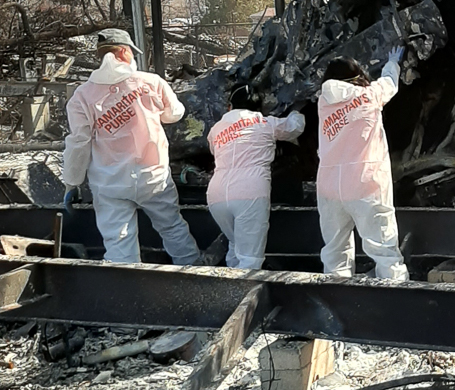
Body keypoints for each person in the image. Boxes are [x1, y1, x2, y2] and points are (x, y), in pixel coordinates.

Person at [61, 28, 201, 264]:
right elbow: (175, 114)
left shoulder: (82, 96)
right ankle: (195, 274)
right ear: (123, 52)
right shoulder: (151, 82)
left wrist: (72, 181)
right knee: (172, 227)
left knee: (119, 241)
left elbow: (79, 142)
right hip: (152, 176)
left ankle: (127, 283)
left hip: (110, 183)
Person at [317, 50, 408, 279]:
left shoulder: (323, 102)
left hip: (329, 187)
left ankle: (336, 294)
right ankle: (395, 292)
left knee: (335, 251)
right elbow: (389, 83)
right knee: (384, 249)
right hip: (364, 184)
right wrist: (393, 62)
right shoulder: (369, 95)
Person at [206, 85, 305, 269]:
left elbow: (214, 150)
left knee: (235, 243)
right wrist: (295, 111)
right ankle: (243, 286)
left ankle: (228, 284)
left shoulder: (216, 129)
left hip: (216, 195)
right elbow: (295, 127)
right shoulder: (265, 123)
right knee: (250, 258)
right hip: (249, 194)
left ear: (230, 106)